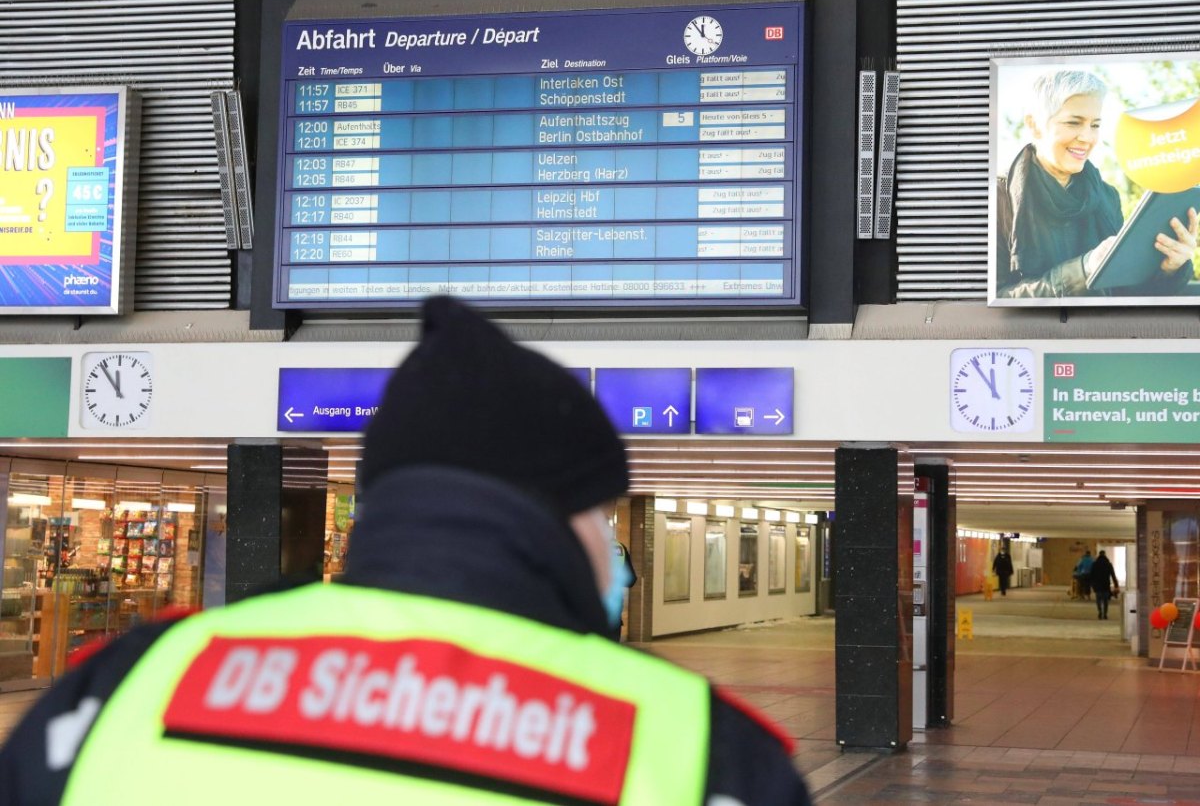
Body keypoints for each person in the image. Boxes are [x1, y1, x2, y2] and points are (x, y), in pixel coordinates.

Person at [0, 296, 810, 805]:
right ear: (559, 519)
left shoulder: (129, 685)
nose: (613, 547)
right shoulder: (697, 752)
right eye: (603, 514)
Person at [995, 69, 1198, 298]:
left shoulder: (1107, 197)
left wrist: (1169, 268)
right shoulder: (998, 198)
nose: (1087, 138)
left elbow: (1124, 293)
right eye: (1073, 122)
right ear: (1034, 125)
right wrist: (1085, 270)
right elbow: (991, 302)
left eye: (1095, 125)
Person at [1090, 549, 1120, 620]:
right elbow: (1113, 575)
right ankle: (1105, 614)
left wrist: (1092, 584)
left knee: (1098, 600)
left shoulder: (1094, 564)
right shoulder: (1108, 564)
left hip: (1097, 585)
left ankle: (1100, 612)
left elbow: (1091, 575)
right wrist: (1116, 585)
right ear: (1105, 555)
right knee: (1105, 601)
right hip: (1106, 584)